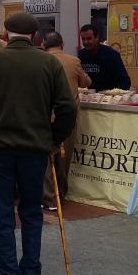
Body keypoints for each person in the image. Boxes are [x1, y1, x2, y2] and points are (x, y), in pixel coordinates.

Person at [0, 13, 77, 275]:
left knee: (2, 213)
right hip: (34, 148)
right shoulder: (48, 62)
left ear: (6, 33)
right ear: (35, 36)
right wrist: (54, 139)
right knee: (31, 212)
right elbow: (67, 107)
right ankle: (31, 274)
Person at [40, 31, 91, 211]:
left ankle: (48, 197)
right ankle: (61, 193)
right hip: (68, 116)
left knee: (46, 158)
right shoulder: (73, 61)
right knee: (64, 156)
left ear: (44, 43)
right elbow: (86, 83)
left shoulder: (40, 60)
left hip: (45, 115)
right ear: (62, 43)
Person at [78, 23, 131, 91]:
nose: (85, 42)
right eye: (83, 39)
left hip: (107, 97)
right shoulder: (81, 55)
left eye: (89, 38)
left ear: (97, 37)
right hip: (87, 97)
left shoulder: (111, 54)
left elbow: (125, 80)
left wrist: (116, 95)